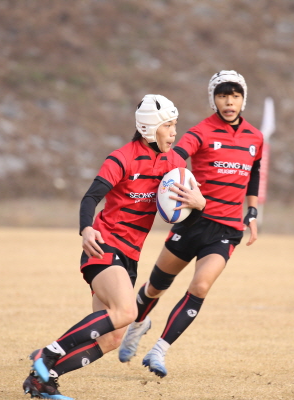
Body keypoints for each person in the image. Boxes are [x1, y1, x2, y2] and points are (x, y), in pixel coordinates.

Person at [22, 94, 206, 399]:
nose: (175, 132)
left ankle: (42, 381)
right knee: (127, 311)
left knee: (112, 338)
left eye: (175, 125)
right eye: (168, 125)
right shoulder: (122, 157)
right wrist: (86, 228)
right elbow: (90, 198)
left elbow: (186, 217)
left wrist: (199, 205)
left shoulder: (175, 164)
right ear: (149, 128)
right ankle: (49, 353)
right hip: (104, 247)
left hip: (130, 258)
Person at [118, 70, 263, 378]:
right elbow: (173, 158)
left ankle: (159, 350)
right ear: (213, 99)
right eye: (222, 96)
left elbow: (254, 173)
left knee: (200, 286)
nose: (229, 102)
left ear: (243, 99)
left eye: (235, 96)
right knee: (155, 286)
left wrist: (251, 212)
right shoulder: (201, 132)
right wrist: (168, 188)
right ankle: (138, 325)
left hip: (226, 230)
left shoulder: (255, 137)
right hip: (193, 223)